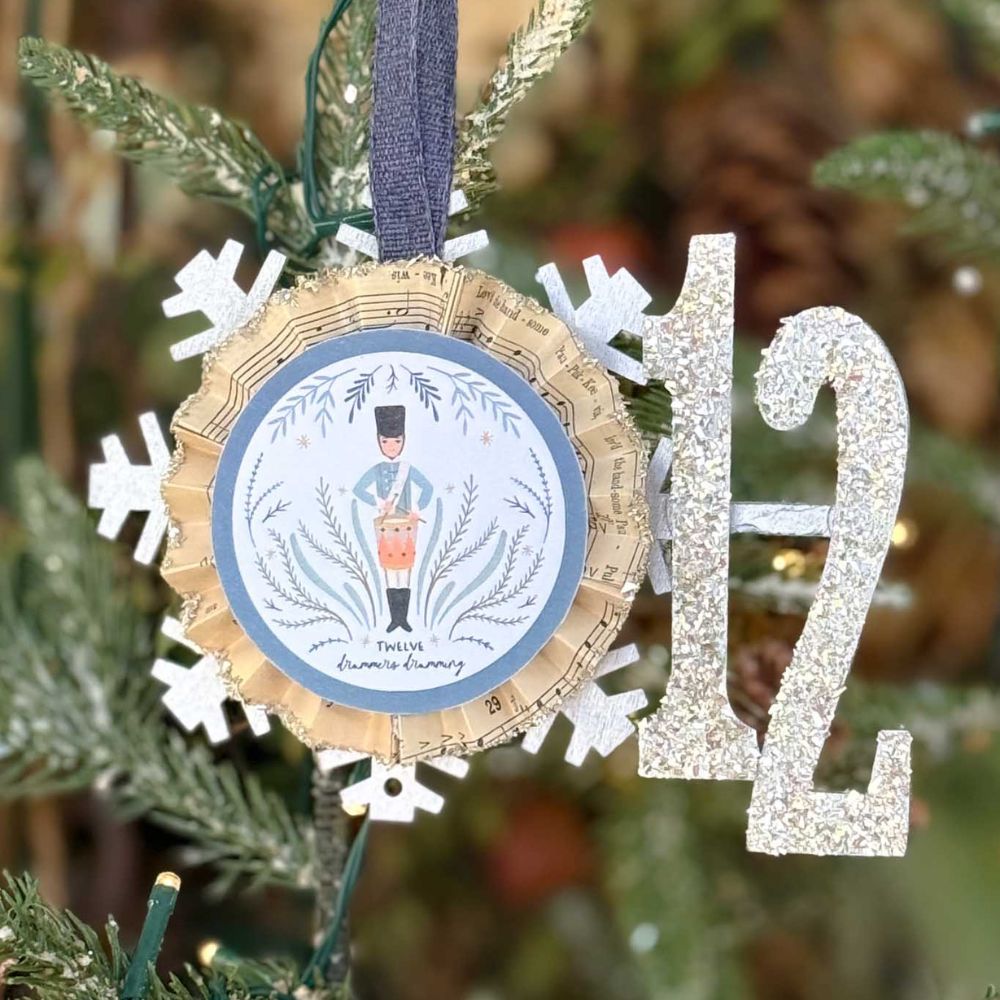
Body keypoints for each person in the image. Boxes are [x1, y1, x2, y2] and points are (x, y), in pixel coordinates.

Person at [352, 405, 433, 633]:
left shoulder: (408, 469)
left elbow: (427, 488)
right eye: (385, 441)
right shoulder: (377, 469)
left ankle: (403, 619)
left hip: (407, 525)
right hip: (385, 525)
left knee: (405, 571)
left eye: (396, 441)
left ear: (403, 440)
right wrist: (379, 502)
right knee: (389, 571)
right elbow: (358, 489)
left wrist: (416, 509)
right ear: (379, 441)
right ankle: (394, 619)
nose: (391, 446)